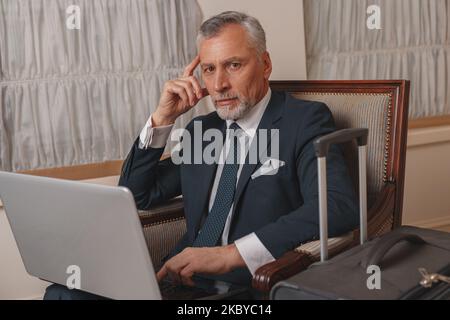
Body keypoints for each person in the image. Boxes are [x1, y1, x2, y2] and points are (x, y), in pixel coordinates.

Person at [45, 11, 358, 299]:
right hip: (178, 279)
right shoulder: (202, 130)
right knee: (64, 293)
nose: (219, 84)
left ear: (265, 64)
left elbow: (336, 206)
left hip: (245, 286)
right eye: (209, 69)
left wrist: (229, 254)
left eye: (233, 65)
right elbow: (137, 193)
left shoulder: (303, 121)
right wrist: (162, 119)